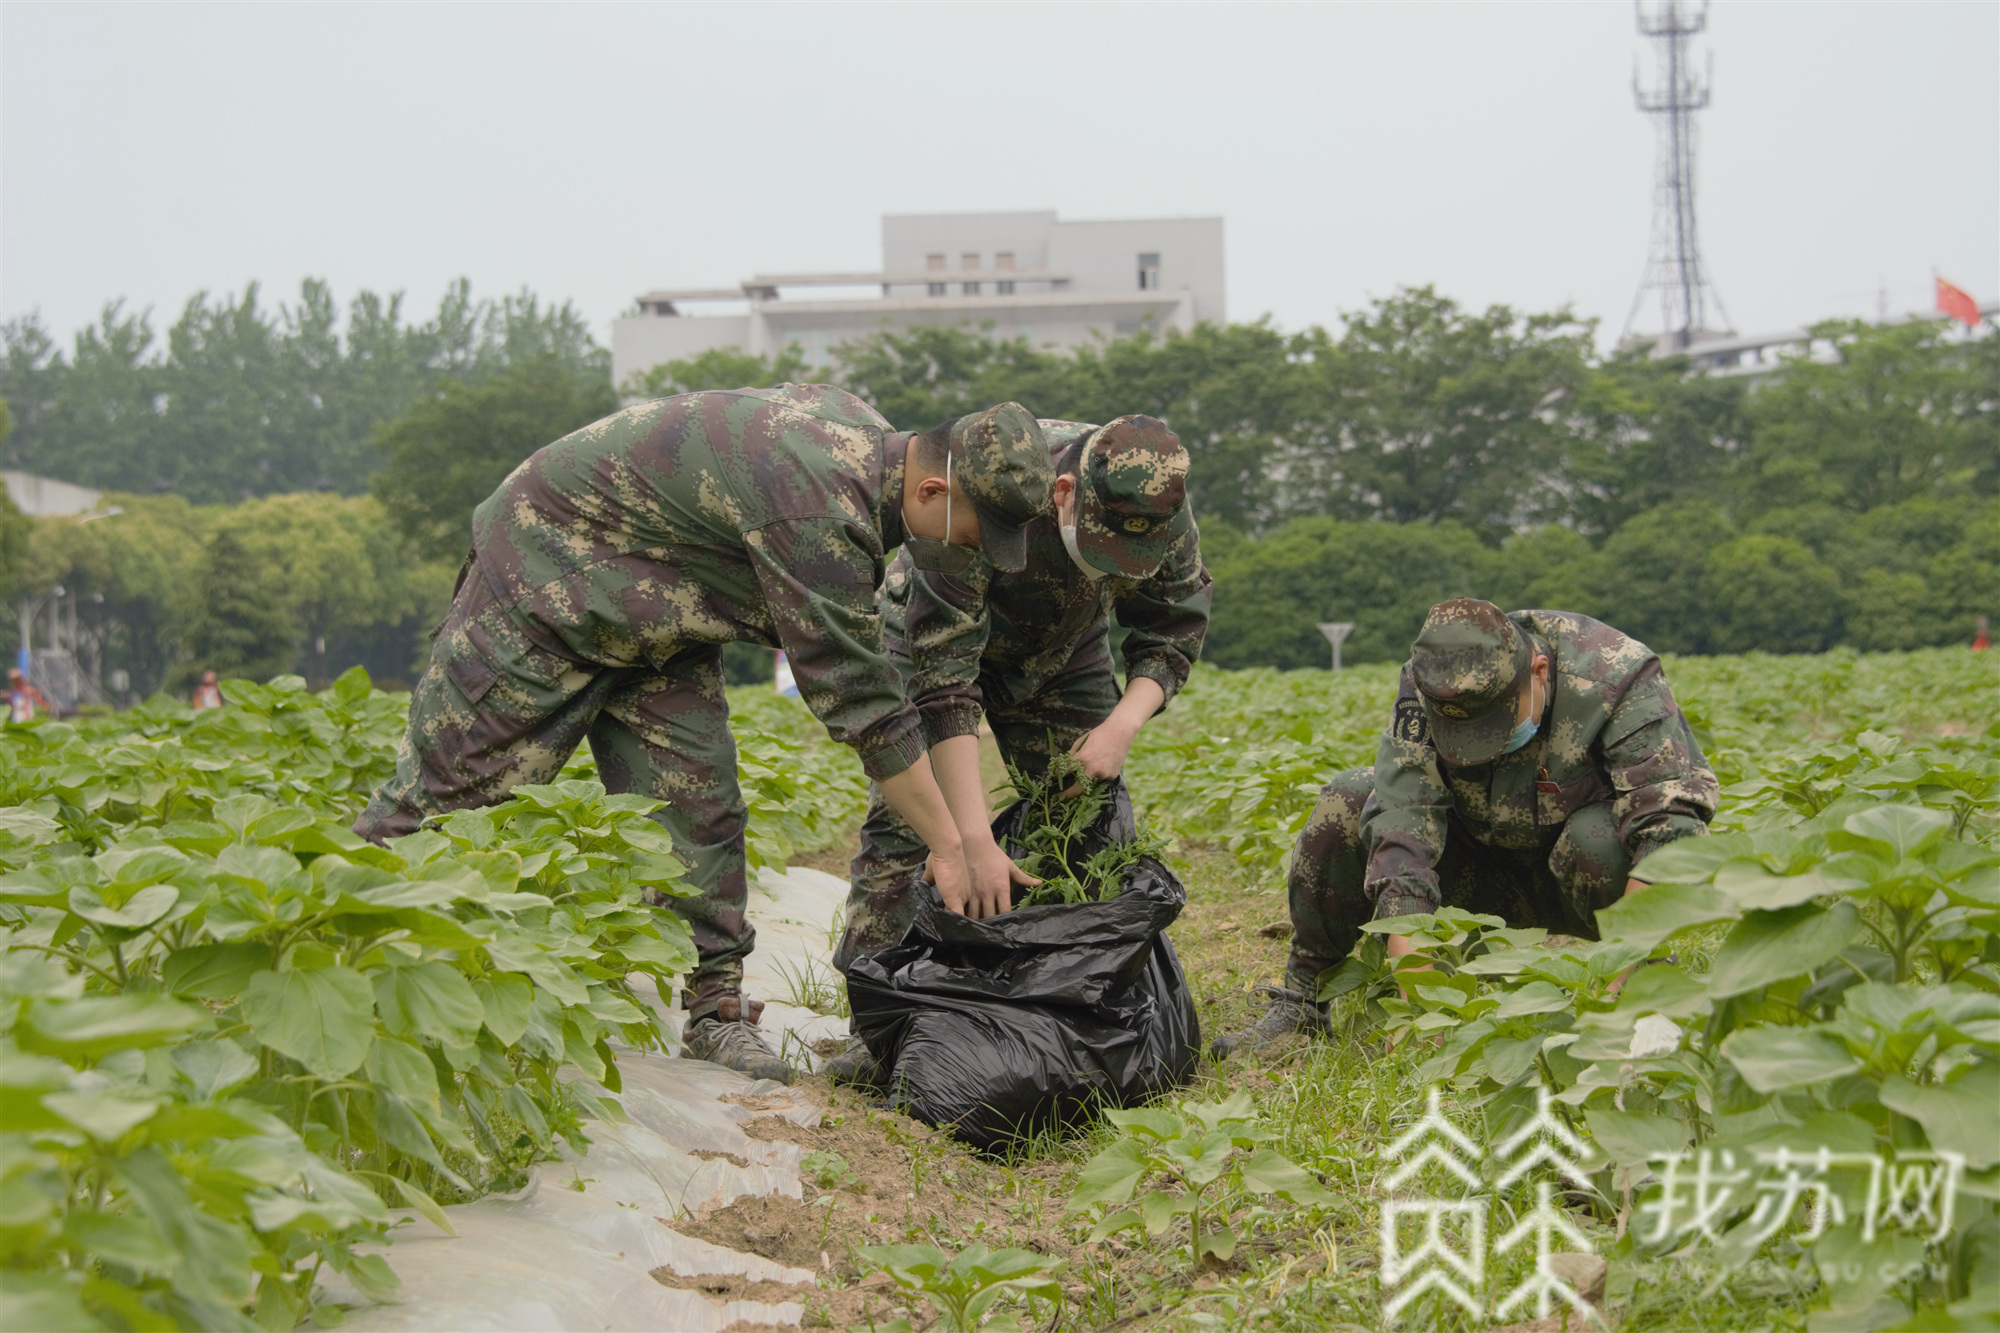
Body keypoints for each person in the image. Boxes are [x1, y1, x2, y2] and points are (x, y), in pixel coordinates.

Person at [353, 385, 1055, 1083]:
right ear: (932, 489)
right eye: (970, 534)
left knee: (699, 806)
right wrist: (950, 844)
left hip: (665, 607)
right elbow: (865, 704)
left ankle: (714, 1008)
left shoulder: (871, 452)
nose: (968, 552)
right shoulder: (818, 502)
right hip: (546, 576)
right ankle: (341, 959)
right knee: (446, 805)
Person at [825, 414, 1211, 1086]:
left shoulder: (1161, 509)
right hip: (932, 643)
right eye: (1101, 542)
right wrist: (970, 839)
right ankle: (881, 1021)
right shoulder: (993, 484)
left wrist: (1121, 724)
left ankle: (1083, 1014)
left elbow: (1174, 628)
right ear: (1064, 492)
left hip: (1062, 651)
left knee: (1086, 823)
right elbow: (947, 684)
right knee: (911, 826)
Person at [1213, 598, 1719, 1058]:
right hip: (1471, 871)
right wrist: (1420, 998)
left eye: (1494, 726)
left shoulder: (1613, 670)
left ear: (1539, 672)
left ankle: (1643, 993)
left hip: (1580, 878)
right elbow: (1402, 826)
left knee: (1599, 838)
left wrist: (1616, 976)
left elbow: (1669, 828)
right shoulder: (1429, 680)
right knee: (1349, 798)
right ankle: (1302, 1003)